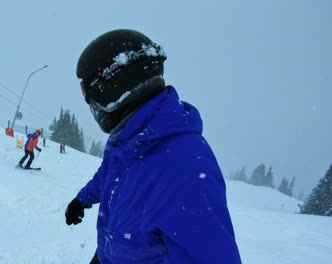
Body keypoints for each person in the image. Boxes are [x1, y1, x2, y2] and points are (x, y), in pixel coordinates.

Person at [64, 29, 242, 263]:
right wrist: (81, 200)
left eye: (91, 98)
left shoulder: (183, 165)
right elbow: (107, 175)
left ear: (111, 87)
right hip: (107, 256)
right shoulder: (127, 136)